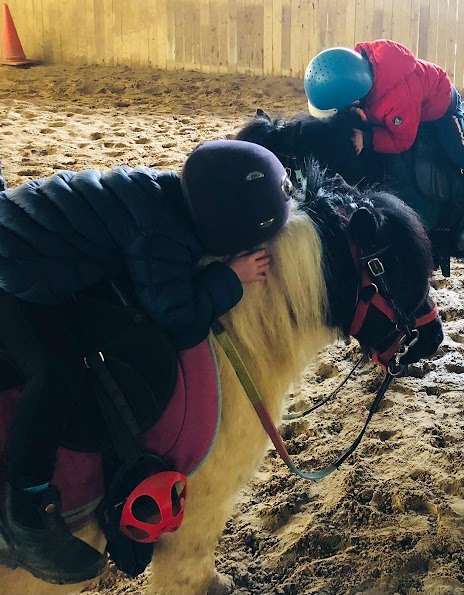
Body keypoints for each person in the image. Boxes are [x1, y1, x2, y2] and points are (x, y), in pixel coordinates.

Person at [0, 140, 292, 583]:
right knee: (54, 369)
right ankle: (26, 504)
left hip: (29, 234)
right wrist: (228, 277)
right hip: (14, 269)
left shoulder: (162, 195)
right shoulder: (162, 234)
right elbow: (175, 315)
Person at [303, 39, 464, 250]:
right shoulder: (358, 69)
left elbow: (402, 140)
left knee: (457, 152)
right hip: (415, 103)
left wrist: (368, 139)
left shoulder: (396, 101)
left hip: (442, 106)